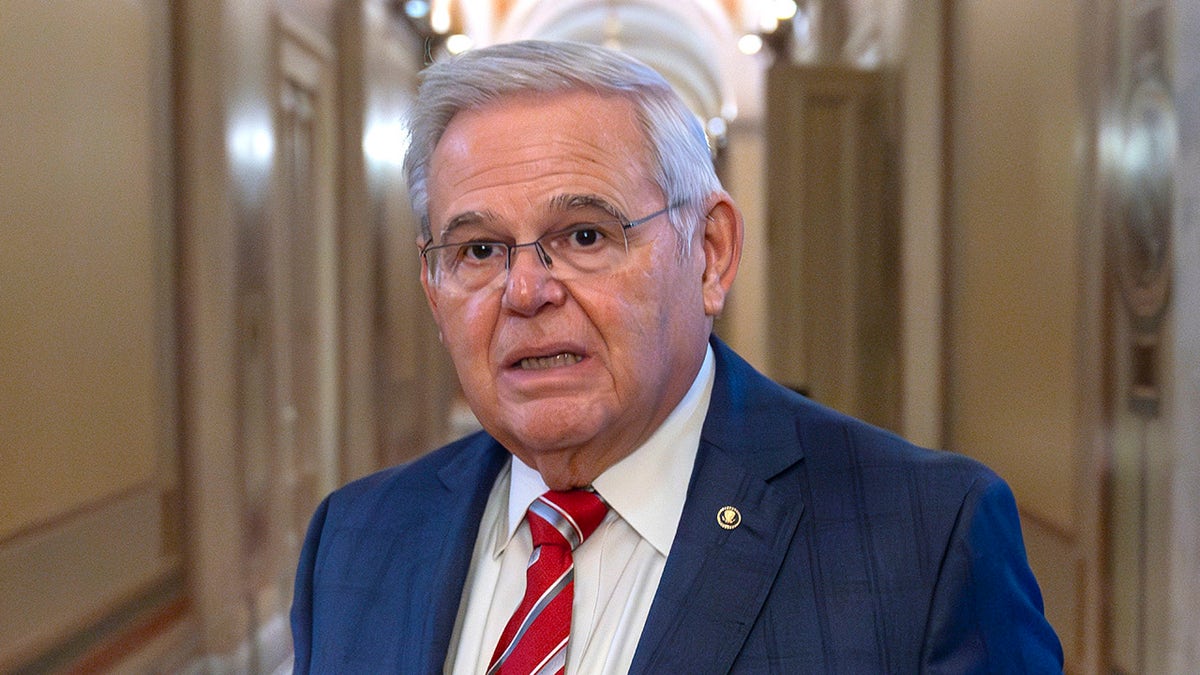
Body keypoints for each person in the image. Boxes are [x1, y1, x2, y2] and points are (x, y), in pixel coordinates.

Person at [291, 40, 1063, 673]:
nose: (524, 291)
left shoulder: (925, 542)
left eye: (585, 236)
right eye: (480, 249)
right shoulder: (355, 539)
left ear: (711, 254)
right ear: (434, 289)